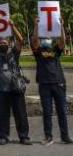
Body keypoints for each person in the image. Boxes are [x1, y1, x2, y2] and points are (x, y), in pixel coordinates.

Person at [0, 19, 31, 145]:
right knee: (2, 115)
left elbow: (21, 40)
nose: (3, 42)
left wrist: (12, 25)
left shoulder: (14, 52)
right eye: (1, 41)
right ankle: (3, 136)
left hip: (16, 88)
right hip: (1, 88)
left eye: (5, 40)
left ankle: (24, 136)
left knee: (20, 113)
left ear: (9, 42)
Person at [31, 17, 72, 145]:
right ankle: (48, 137)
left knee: (62, 111)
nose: (46, 40)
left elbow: (63, 41)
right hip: (44, 85)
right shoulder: (38, 52)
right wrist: (36, 26)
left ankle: (65, 136)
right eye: (44, 38)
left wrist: (61, 26)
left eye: (48, 38)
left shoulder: (56, 50)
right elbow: (34, 40)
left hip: (59, 83)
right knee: (47, 112)